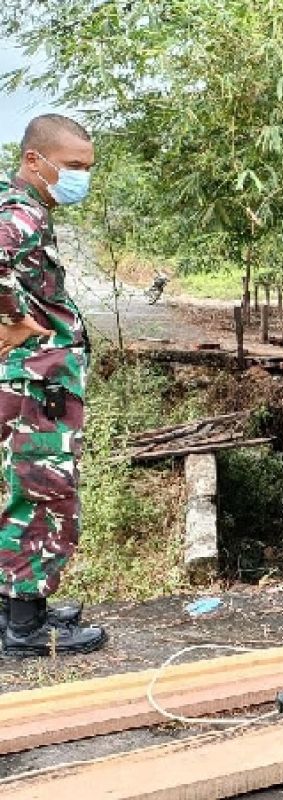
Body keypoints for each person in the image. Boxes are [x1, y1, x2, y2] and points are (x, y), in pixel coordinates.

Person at [0, 114, 106, 656]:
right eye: (72, 167)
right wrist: (12, 325)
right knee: (46, 495)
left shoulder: (25, 207)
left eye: (86, 168)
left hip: (36, 382)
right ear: (34, 161)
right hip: (36, 384)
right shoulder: (19, 214)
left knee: (32, 491)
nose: (80, 178)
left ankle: (18, 607)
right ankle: (25, 627)